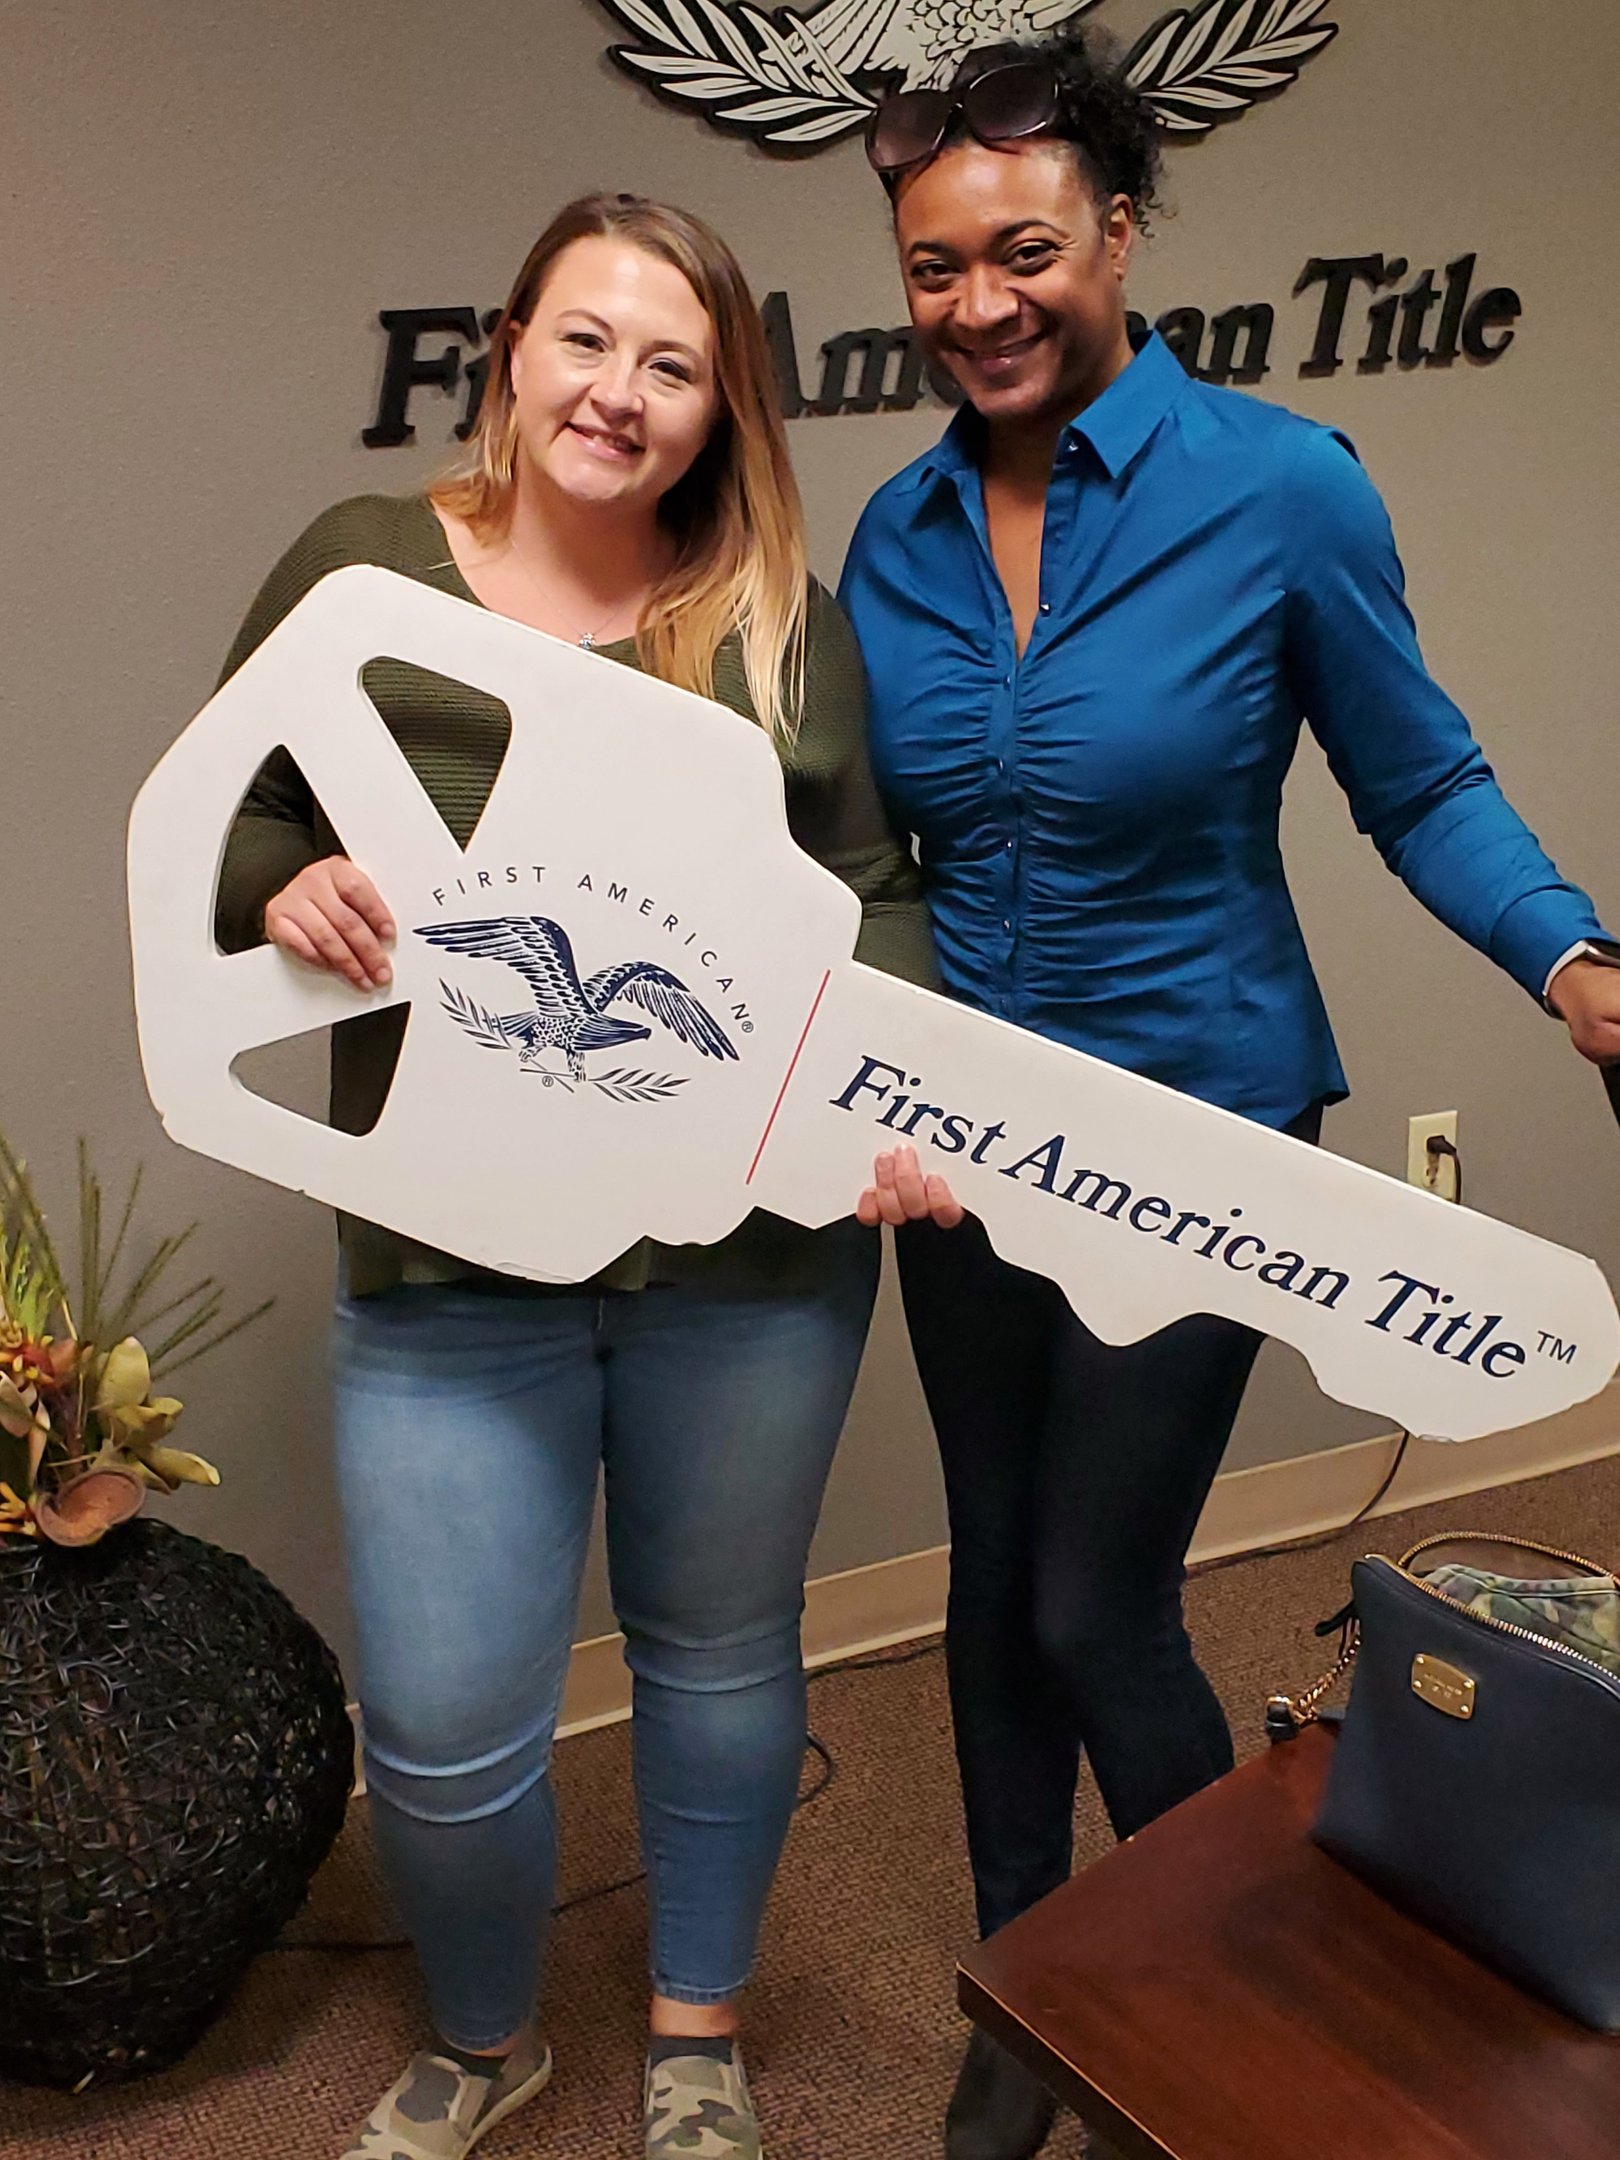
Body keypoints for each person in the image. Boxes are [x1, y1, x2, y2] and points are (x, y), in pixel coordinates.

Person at [840, 31, 1620, 2160]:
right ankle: (1027, 2008)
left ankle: (1232, 2035)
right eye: (933, 268)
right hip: (966, 1151)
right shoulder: (895, 537)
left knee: (1096, 1599)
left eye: (1022, 251)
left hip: (1196, 1138)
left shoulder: (1280, 490)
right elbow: (872, 858)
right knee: (992, 1588)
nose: (980, 304)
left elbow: (1420, 780)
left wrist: (1573, 962)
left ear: (1118, 233)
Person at [214, 192, 937, 2160]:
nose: (621, 393)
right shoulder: (363, 568)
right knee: (443, 1728)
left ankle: (698, 2032)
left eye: (673, 365)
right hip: (452, 1258)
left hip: (751, 1262)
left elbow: (869, 883)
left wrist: (894, 1095)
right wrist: (283, 886)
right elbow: (229, 816)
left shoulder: (777, 617)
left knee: (720, 1651)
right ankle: (485, 2038)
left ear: (723, 408)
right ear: (513, 351)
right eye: (589, 342)